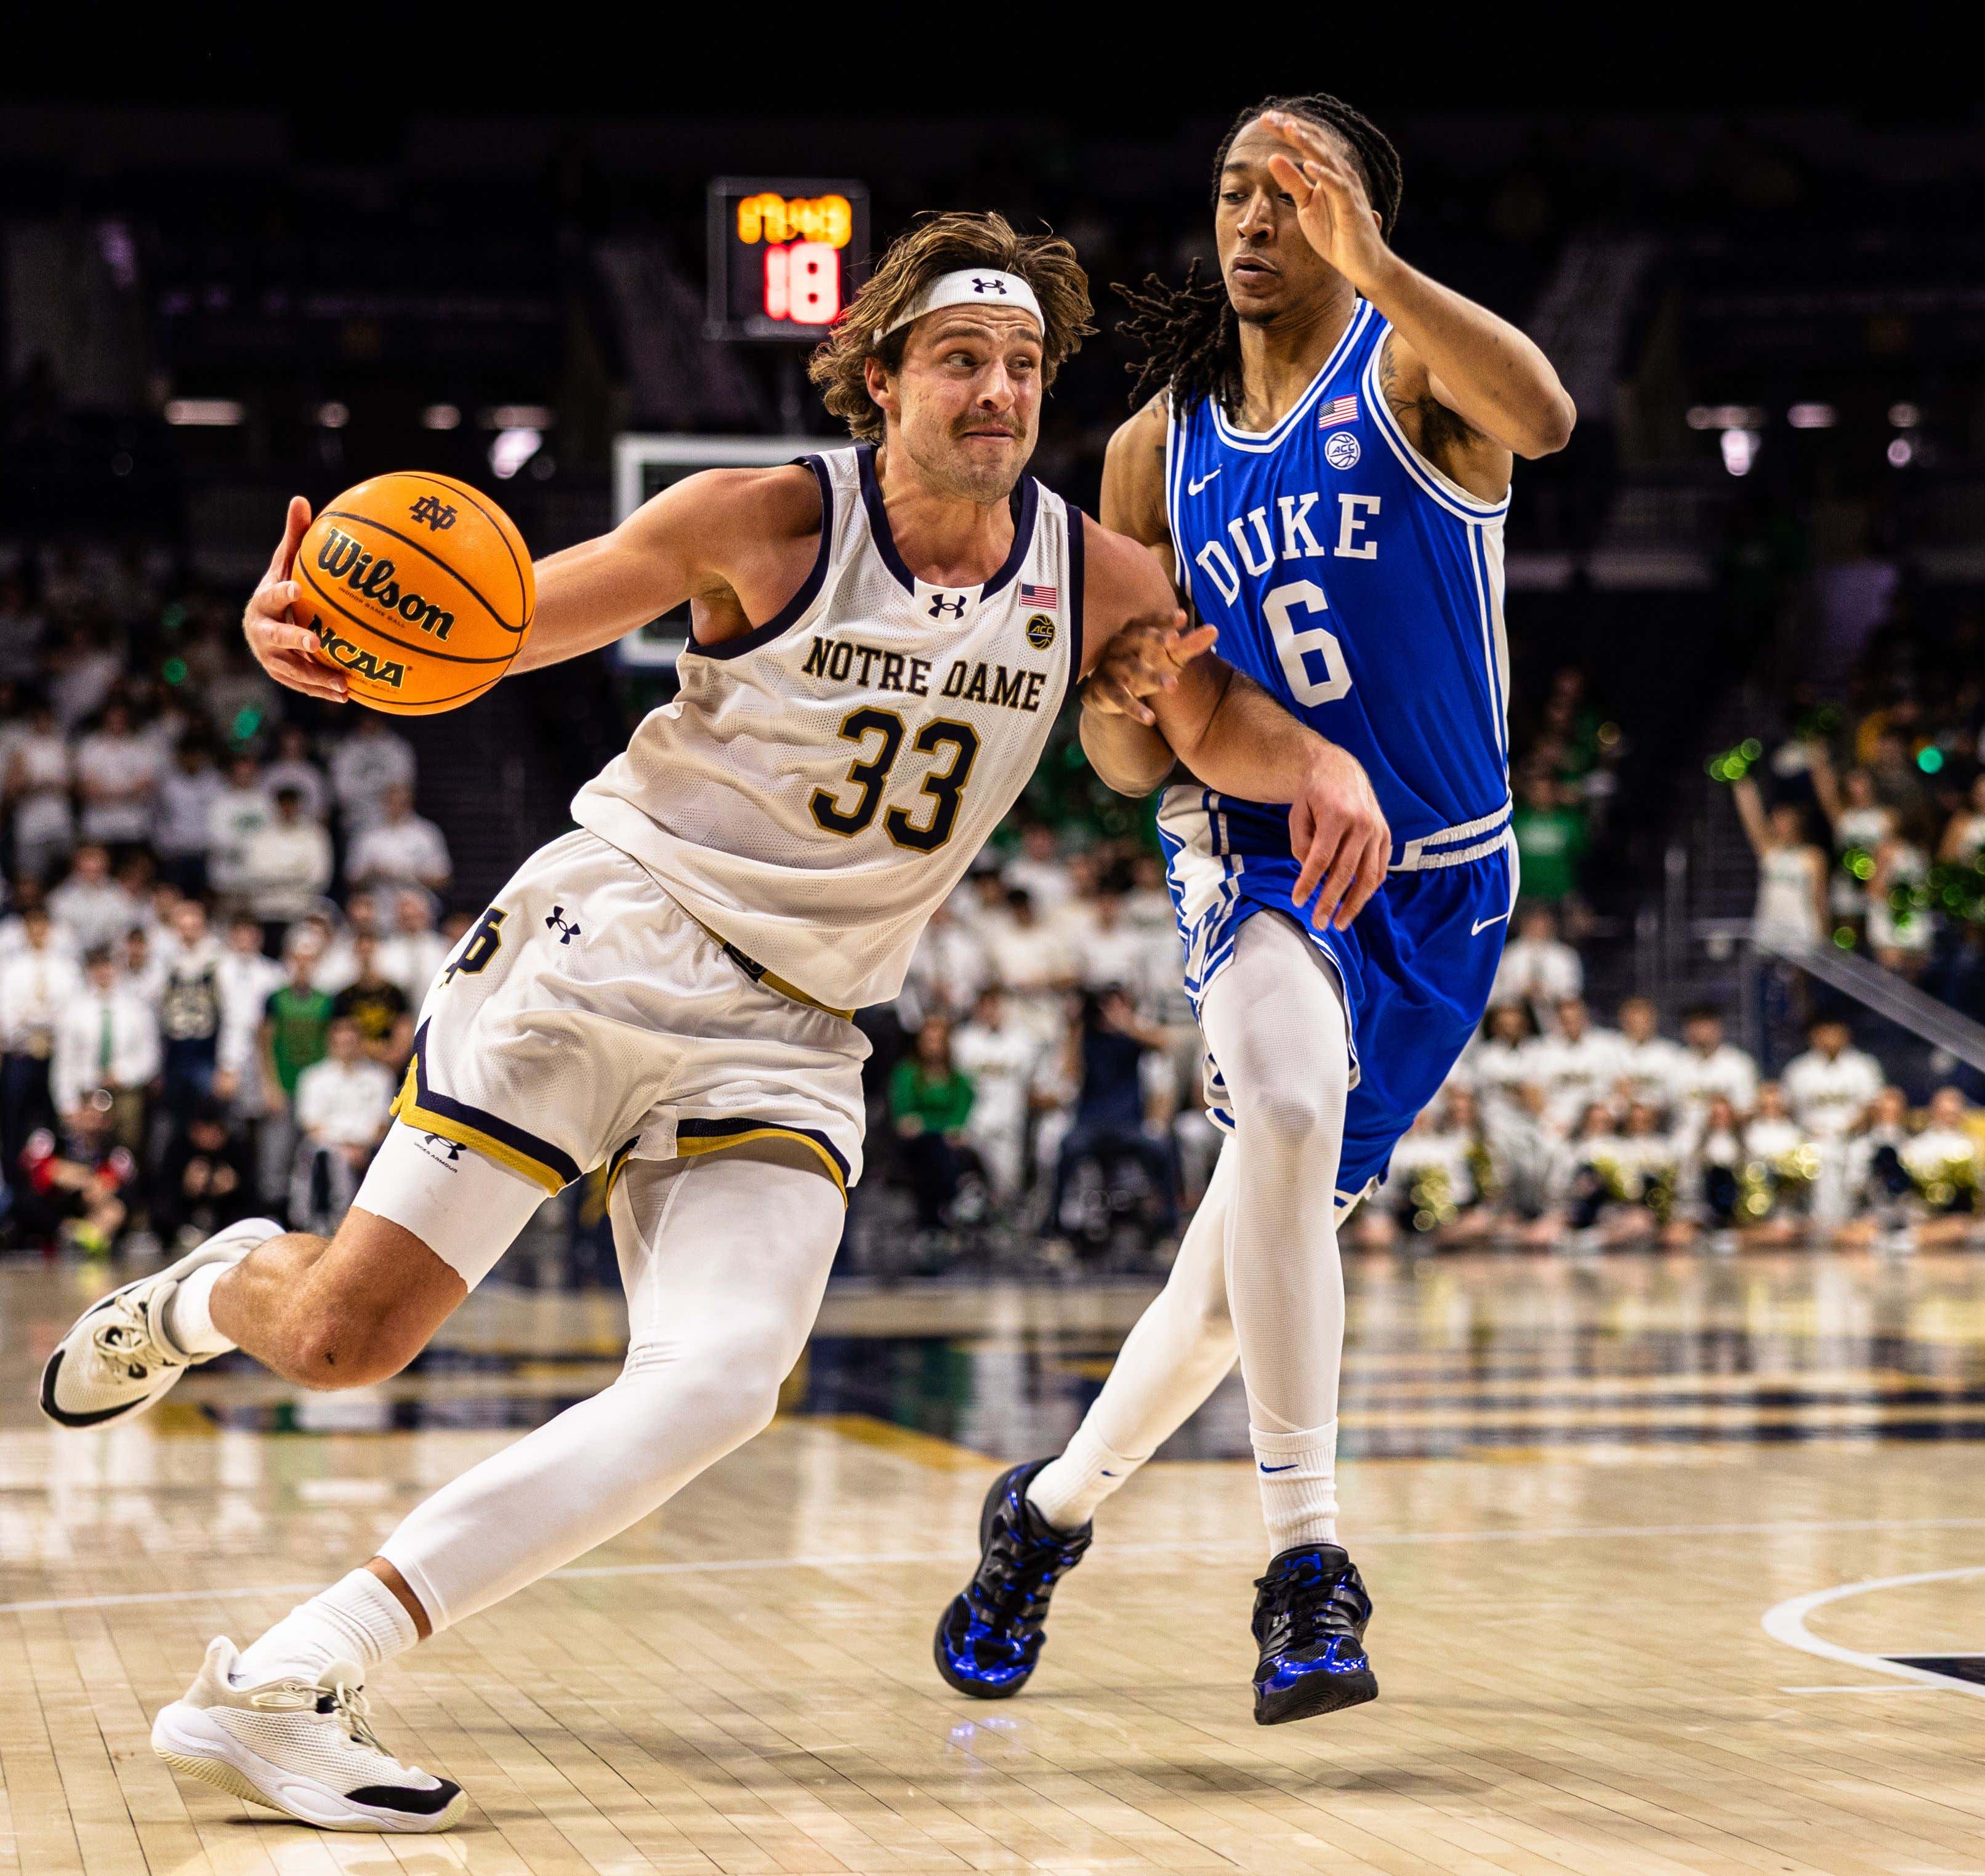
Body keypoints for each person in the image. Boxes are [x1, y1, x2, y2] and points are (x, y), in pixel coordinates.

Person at [39, 211, 1375, 1832]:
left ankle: (298, 1665)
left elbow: (1206, 713)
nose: (1001, 392)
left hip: (802, 1028)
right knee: (341, 1342)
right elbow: (507, 618)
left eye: (1026, 365)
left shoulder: (1093, 574)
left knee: (727, 1375)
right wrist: (332, 645)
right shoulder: (760, 517)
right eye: (964, 358)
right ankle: (210, 1289)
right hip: (615, 938)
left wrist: (1315, 759)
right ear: (877, 376)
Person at [936, 91, 1572, 1727]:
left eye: (1294, 192)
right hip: (1255, 842)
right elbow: (1104, 733)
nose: (1252, 218)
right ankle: (1309, 1564)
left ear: (1355, 214)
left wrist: (1388, 264)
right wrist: (1138, 704)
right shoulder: (1155, 442)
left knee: (1233, 1280)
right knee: (1283, 1103)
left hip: (1445, 881)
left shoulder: (1418, 370)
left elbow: (1551, 414)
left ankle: (1045, 1515)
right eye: (1234, 189)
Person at [289, 1017, 394, 1235]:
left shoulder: (380, 1077)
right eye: (341, 1043)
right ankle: (323, 1223)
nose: (347, 1048)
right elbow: (311, 1125)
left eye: (352, 1042)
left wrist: (359, 1147)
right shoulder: (313, 1077)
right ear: (331, 1044)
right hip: (326, 1148)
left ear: (360, 1043)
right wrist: (344, 1148)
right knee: (328, 1158)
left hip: (368, 1148)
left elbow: (381, 1125)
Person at [51, 946, 159, 1153]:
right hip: (87, 1092)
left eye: (108, 966)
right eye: (97, 967)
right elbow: (64, 1062)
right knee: (86, 1154)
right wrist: (67, 1105)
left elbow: (150, 1057)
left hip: (126, 1092)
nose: (104, 972)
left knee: (127, 1152)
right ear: (89, 971)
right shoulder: (74, 1011)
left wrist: (122, 1074)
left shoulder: (137, 1008)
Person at [0, 904, 81, 1174]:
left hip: (57, 1055)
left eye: (42, 927)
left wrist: (33, 1017)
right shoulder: (12, 969)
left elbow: (71, 1013)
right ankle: (13, 1178)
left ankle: (57, 1179)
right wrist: (39, 1020)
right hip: (21, 1054)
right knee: (14, 1119)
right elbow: (8, 1014)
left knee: (55, 1119)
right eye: (31, 927)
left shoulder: (66, 969)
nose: (37, 932)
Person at [888, 1017, 981, 1231]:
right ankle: (938, 1212)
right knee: (933, 1150)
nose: (933, 1047)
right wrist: (939, 1126)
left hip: (949, 1146)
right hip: (918, 1146)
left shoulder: (957, 1078)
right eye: (928, 1041)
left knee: (949, 1153)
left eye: (937, 1041)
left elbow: (962, 1111)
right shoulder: (907, 1073)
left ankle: (942, 1211)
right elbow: (905, 1118)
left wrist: (952, 1127)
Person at [345, 783, 451, 899]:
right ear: (383, 803)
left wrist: (407, 873)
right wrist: (373, 872)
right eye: (391, 802)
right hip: (378, 902)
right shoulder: (368, 835)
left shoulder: (426, 833)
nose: (395, 807)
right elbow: (351, 879)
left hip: (418, 902)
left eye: (401, 803)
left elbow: (444, 879)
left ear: (409, 802)